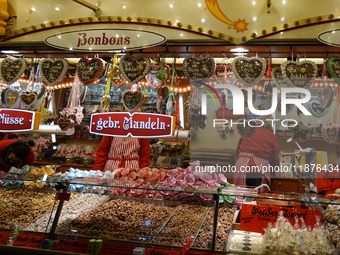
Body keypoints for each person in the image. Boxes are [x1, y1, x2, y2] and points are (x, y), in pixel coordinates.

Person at [233, 115, 280, 192]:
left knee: (240, 197)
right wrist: (273, 172)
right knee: (255, 199)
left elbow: (238, 154)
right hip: (257, 170)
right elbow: (275, 159)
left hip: (240, 167)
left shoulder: (248, 132)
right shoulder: (271, 136)